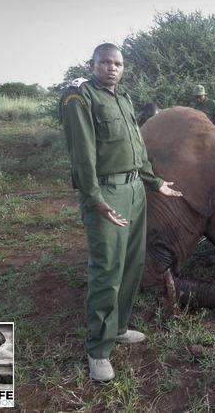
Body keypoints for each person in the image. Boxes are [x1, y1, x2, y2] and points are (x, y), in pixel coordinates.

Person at [59, 43, 182, 382]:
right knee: (106, 269)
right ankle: (98, 349)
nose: (112, 68)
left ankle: (118, 328)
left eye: (118, 63)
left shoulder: (124, 99)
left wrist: (155, 183)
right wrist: (97, 200)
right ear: (93, 64)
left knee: (132, 263)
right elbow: (82, 155)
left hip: (134, 190)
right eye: (105, 62)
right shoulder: (80, 98)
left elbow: (137, 149)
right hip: (105, 190)